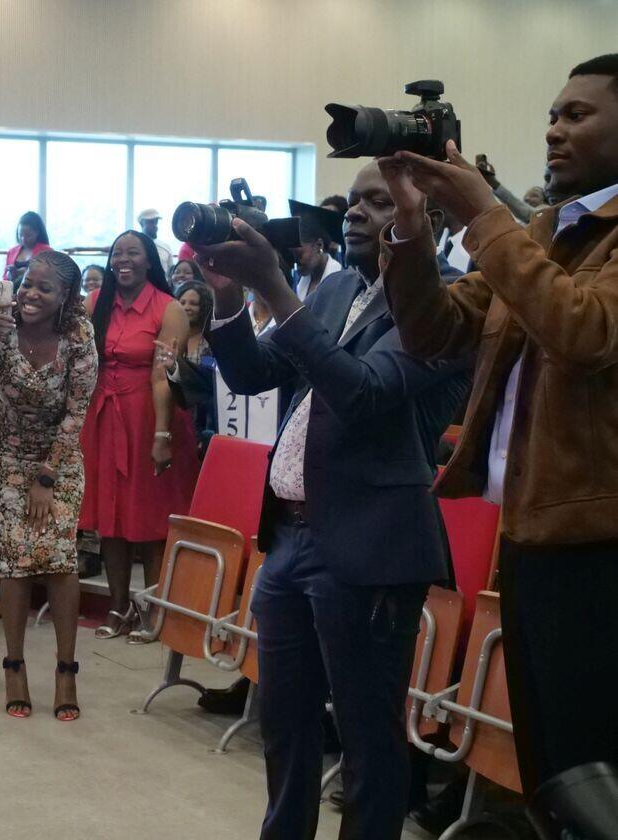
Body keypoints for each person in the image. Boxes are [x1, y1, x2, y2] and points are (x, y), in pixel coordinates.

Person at [194, 160, 471, 839]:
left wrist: (275, 287)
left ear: (427, 218)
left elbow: (364, 391)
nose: (353, 213)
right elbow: (256, 373)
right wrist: (230, 297)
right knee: (285, 727)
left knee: (368, 741)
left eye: (378, 202)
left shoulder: (447, 299)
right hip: (292, 538)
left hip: (370, 543)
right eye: (352, 201)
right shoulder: (338, 286)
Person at [377, 53, 618, 817]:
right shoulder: (547, 230)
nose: (554, 130)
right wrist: (411, 222)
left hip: (599, 545)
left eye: (577, 115)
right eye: (552, 114)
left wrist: (485, 217)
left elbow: (585, 330)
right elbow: (434, 331)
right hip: (531, 532)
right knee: (556, 770)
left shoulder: (558, 236)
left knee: (595, 765)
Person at [0, 249, 96, 720]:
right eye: (27, 282)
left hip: (58, 459)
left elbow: (76, 413)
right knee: (15, 560)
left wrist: (47, 477)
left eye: (44, 288)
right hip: (5, 456)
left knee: (60, 558)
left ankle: (67, 670)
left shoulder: (78, 336)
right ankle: (14, 666)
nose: (30, 293)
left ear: (65, 295)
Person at [79, 230, 200, 643]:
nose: (123, 260)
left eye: (133, 253)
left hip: (150, 416)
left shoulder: (169, 308)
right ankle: (119, 606)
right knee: (110, 519)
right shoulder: (96, 303)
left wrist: (162, 434)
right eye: (117, 253)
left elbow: (162, 374)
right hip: (103, 417)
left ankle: (154, 606)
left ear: (150, 260)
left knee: (150, 517)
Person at [162, 280, 218, 448]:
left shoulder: (212, 341)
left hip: (204, 418)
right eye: (182, 302)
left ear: (204, 307)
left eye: (193, 303)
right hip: (173, 410)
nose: (187, 307)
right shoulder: (168, 337)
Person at [288, 200, 345, 300]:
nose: (296, 262)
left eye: (299, 255)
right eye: (293, 256)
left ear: (319, 245)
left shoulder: (342, 281)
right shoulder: (299, 283)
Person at [3, 211, 53, 283]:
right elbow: (5, 278)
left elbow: (50, 277)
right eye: (20, 235)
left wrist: (26, 272)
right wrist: (10, 275)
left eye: (28, 235)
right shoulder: (12, 252)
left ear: (37, 233)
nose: (23, 239)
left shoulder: (47, 251)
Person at [137, 208, 174, 273]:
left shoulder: (165, 247)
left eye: (156, 222)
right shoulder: (134, 246)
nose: (155, 226)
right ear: (142, 224)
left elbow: (171, 272)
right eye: (151, 222)